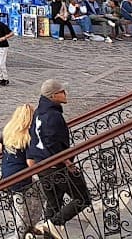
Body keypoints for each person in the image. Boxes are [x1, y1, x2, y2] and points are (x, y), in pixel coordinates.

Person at [28, 79, 89, 234]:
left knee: (54, 203)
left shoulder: (39, 113)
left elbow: (34, 137)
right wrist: (67, 161)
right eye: (62, 92)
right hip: (56, 166)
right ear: (53, 95)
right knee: (82, 198)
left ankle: (47, 232)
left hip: (43, 166)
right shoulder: (53, 116)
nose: (65, 94)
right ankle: (52, 224)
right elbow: (52, 142)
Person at [0, 102, 43, 239]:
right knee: (28, 204)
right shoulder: (28, 136)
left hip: (7, 175)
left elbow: (0, 148)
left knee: (23, 205)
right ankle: (23, 232)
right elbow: (30, 162)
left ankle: (28, 228)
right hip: (21, 177)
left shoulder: (8, 130)